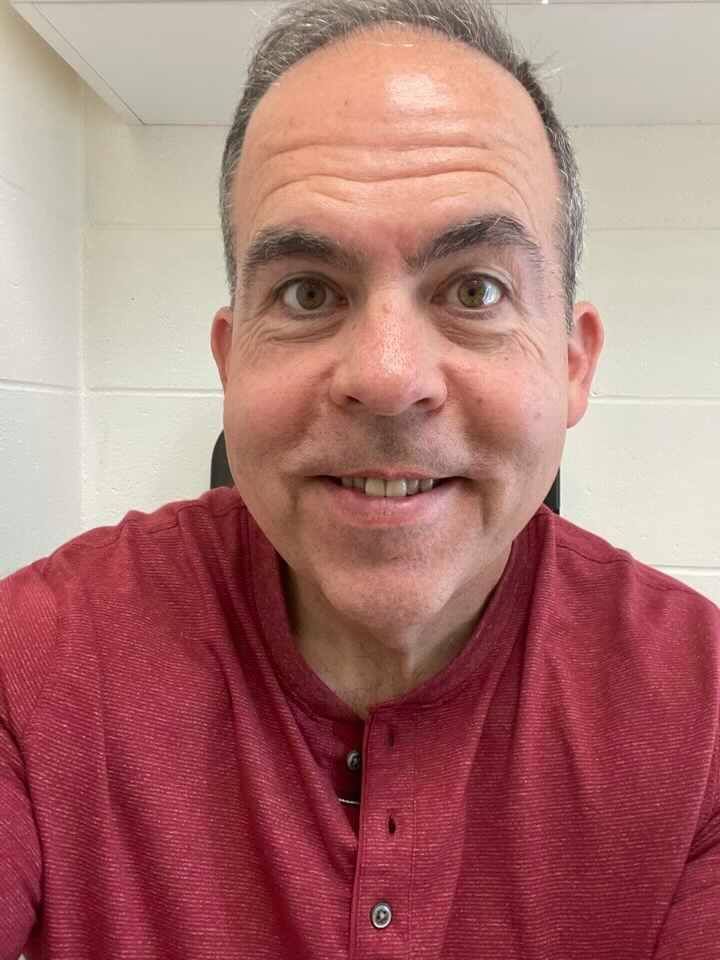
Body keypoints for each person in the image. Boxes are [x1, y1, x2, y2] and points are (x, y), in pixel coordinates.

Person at [1, 0, 718, 957]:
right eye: (307, 293)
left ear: (573, 364)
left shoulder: (703, 723)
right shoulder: (35, 669)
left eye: (476, 289)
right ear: (231, 362)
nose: (386, 377)